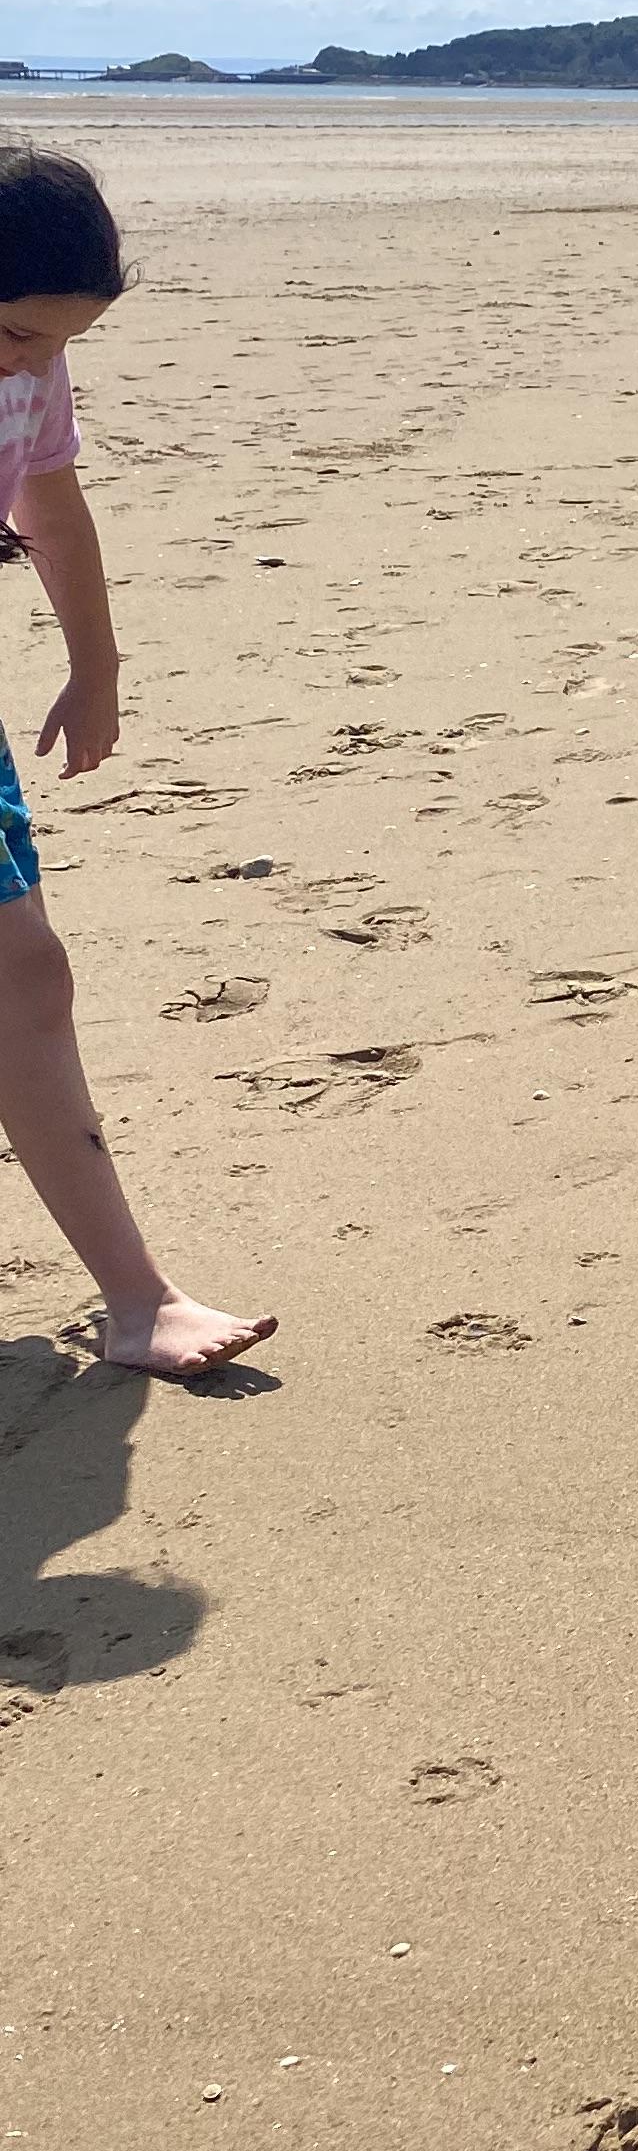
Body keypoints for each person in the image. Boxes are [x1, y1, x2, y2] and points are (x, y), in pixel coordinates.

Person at [0, 146, 273, 1380]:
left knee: (26, 975)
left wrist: (95, 663)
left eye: (63, 343)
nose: (36, 364)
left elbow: (50, 504)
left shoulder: (30, 374)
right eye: (18, 333)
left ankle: (135, 1298)